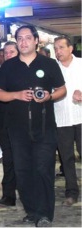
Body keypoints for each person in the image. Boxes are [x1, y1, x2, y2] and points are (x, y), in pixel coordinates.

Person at [0, 25, 66, 226]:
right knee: (22, 171)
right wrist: (16, 95)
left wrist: (49, 96)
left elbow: (62, 90)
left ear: (36, 41)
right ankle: (32, 211)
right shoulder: (8, 66)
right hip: (16, 129)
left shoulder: (49, 64)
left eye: (27, 38)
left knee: (43, 169)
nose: (23, 42)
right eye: (20, 38)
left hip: (44, 127)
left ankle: (44, 214)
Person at [53, 35, 82, 206]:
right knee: (66, 157)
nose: (58, 51)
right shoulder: (53, 68)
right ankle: (71, 192)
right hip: (61, 119)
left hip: (80, 116)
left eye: (61, 47)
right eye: (55, 48)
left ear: (70, 48)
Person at [0, 41, 19, 207]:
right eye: (5, 53)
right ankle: (8, 196)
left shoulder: (24, 72)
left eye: (11, 52)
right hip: (5, 124)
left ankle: (27, 193)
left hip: (23, 125)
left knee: (23, 161)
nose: (8, 55)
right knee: (8, 161)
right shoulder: (0, 73)